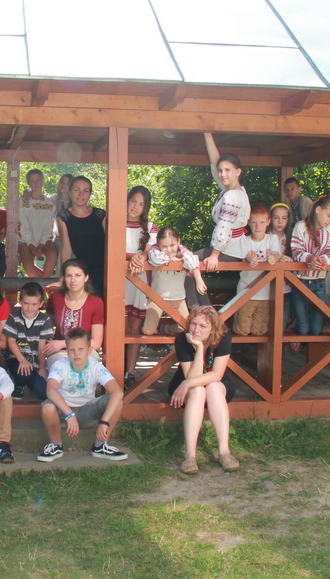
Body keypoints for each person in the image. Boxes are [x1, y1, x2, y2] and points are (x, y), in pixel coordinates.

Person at [37, 327, 127, 463]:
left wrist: (104, 422)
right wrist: (69, 415)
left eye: (81, 349)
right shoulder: (60, 365)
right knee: (47, 407)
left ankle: (100, 445)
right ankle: (56, 445)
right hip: (64, 414)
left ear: (90, 350)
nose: (76, 353)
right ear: (67, 351)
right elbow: (51, 390)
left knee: (116, 400)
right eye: (72, 350)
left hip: (87, 411)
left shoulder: (95, 367)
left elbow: (117, 391)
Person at [168, 306, 239, 475]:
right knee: (198, 390)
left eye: (202, 326)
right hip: (188, 387)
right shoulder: (182, 339)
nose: (196, 330)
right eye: (193, 324)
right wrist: (199, 348)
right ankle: (190, 456)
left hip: (216, 384)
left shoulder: (223, 336)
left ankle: (224, 452)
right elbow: (191, 376)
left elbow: (217, 374)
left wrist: (187, 383)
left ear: (213, 329)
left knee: (213, 387)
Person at [187, 133, 250, 308]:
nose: (222, 174)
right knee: (191, 266)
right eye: (221, 171)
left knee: (189, 265)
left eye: (227, 170)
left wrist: (214, 256)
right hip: (234, 247)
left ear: (238, 171)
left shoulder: (232, 197)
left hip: (228, 249)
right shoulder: (234, 190)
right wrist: (207, 134)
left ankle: (200, 313)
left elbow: (224, 227)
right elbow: (215, 162)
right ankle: (205, 314)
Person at [289, 196, 330, 336]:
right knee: (303, 328)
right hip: (300, 281)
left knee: (316, 329)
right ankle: (294, 340)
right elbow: (296, 252)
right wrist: (310, 258)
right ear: (318, 210)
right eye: (329, 215)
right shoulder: (300, 226)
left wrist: (323, 260)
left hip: (319, 281)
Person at [230, 204, 284, 337]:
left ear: (268, 222)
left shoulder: (272, 239)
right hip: (245, 292)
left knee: (259, 331)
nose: (258, 226)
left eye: (262, 222)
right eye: (254, 222)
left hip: (265, 294)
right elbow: (246, 254)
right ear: (248, 222)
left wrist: (273, 258)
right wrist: (250, 258)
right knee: (242, 329)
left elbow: (276, 253)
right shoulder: (244, 240)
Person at [41, 259, 105, 371]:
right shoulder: (55, 298)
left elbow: (96, 343)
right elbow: (46, 328)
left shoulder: (96, 302)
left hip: (85, 350)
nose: (73, 280)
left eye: (78, 275)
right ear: (63, 278)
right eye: (69, 276)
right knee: (61, 368)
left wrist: (63, 343)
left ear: (86, 277)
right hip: (59, 352)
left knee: (85, 366)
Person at [124, 186, 157, 389]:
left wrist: (140, 257)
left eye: (141, 204)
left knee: (135, 329)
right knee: (119, 326)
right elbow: (112, 249)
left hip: (140, 280)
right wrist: (133, 257)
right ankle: (115, 370)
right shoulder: (114, 223)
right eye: (133, 201)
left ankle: (130, 372)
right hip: (119, 279)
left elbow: (149, 252)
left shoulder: (150, 227)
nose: (136, 206)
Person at [143, 227, 205, 336]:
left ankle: (167, 329)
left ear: (178, 241)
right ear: (158, 244)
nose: (169, 249)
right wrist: (174, 260)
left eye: (172, 245)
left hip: (178, 298)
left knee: (186, 328)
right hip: (157, 298)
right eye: (164, 246)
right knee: (148, 331)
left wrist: (198, 278)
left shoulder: (184, 252)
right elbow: (156, 259)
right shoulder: (155, 251)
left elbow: (193, 261)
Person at [3, 281, 54, 401]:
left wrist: (42, 368)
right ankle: (19, 385)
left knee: (43, 392)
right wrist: (22, 360)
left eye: (34, 304)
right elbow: (11, 341)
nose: (29, 308)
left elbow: (42, 346)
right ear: (20, 301)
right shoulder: (14, 317)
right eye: (26, 303)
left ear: (41, 304)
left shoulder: (44, 319)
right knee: (23, 372)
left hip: (35, 363)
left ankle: (27, 382)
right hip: (17, 359)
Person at [56, 176, 107, 294]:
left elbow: (110, 244)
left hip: (103, 269)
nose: (81, 194)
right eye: (77, 190)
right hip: (80, 272)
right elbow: (67, 249)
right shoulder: (64, 216)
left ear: (90, 194)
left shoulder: (100, 214)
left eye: (86, 190)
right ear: (69, 192)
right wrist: (64, 276)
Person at [18, 169, 58, 278]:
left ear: (43, 181)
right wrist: (30, 244)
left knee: (53, 254)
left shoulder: (49, 202)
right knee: (29, 268)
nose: (36, 183)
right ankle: (45, 286)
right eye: (32, 180)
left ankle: (45, 283)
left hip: (45, 240)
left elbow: (48, 225)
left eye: (38, 180)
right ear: (28, 183)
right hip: (25, 240)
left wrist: (41, 244)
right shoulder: (23, 201)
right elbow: (23, 224)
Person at [269, 203, 296, 334]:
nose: (280, 222)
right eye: (276, 217)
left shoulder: (291, 238)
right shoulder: (264, 236)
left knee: (282, 323)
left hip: (286, 286)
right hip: (265, 286)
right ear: (270, 219)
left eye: (284, 218)